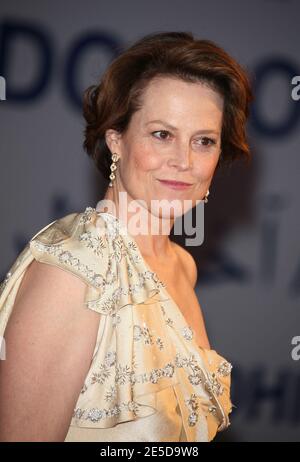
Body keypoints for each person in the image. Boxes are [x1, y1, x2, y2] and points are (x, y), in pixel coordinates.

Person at [0, 31, 253, 442]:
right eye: (162, 134)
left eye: (203, 141)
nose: (184, 161)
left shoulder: (180, 266)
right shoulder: (75, 271)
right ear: (116, 138)